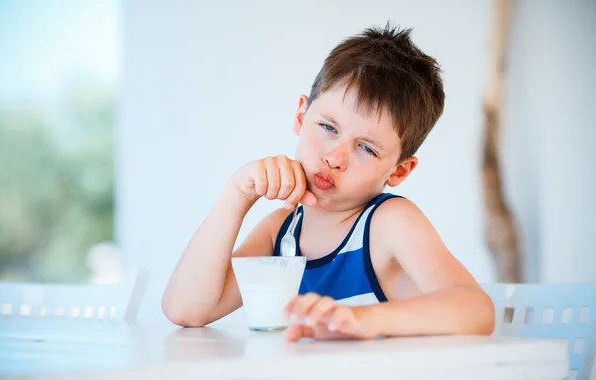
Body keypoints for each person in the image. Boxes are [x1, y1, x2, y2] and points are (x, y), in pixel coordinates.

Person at [162, 23, 495, 341]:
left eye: (366, 148)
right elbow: (186, 310)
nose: (336, 157)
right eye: (328, 127)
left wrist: (363, 319)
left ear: (398, 171)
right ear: (300, 116)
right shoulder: (281, 231)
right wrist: (237, 193)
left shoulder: (388, 224)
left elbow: (477, 310)